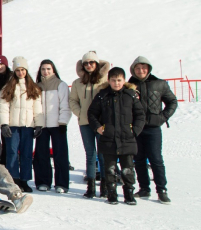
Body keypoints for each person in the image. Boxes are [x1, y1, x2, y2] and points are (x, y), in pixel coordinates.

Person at [87, 67, 145, 205]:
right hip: (108, 139)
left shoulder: (130, 95)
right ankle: (111, 193)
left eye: (119, 80)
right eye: (113, 80)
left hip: (127, 138)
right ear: (109, 80)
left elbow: (140, 115)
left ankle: (129, 193)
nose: (116, 83)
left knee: (127, 169)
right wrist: (98, 128)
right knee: (110, 168)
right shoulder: (102, 95)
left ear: (124, 81)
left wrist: (135, 130)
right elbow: (92, 113)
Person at [128, 56, 177, 203]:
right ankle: (144, 188)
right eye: (137, 68)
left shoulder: (159, 84)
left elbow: (172, 101)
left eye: (143, 68)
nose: (141, 70)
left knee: (156, 159)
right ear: (133, 70)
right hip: (136, 128)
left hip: (153, 128)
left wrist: (162, 117)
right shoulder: (129, 85)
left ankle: (161, 189)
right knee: (139, 159)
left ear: (148, 69)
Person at [0, 57, 43, 193]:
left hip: (28, 126)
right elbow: (2, 107)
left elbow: (37, 107)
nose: (20, 73)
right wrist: (4, 124)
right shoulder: (9, 87)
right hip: (13, 125)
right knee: (12, 153)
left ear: (26, 71)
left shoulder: (33, 88)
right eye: (18, 70)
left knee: (27, 153)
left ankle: (25, 179)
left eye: (22, 70)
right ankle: (14, 178)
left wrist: (38, 124)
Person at [69, 51, 110, 198]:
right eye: (86, 63)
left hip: (101, 123)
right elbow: (72, 100)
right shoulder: (77, 83)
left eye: (92, 62)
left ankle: (105, 186)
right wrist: (80, 113)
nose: (89, 65)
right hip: (85, 122)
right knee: (90, 154)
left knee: (103, 153)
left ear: (97, 64)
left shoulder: (105, 80)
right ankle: (91, 187)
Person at [34, 59, 72, 193]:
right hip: (42, 126)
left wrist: (63, 122)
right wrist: (36, 123)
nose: (46, 71)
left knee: (60, 154)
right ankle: (43, 181)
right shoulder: (37, 86)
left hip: (57, 125)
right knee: (41, 154)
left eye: (48, 69)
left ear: (53, 70)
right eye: (43, 69)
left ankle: (61, 183)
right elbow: (35, 106)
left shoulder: (60, 85)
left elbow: (65, 105)